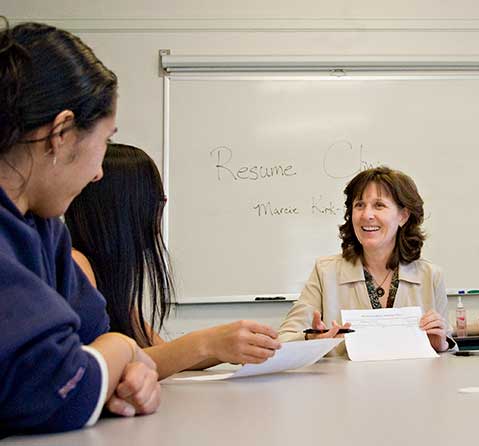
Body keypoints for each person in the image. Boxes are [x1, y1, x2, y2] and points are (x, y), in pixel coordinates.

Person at [0, 19, 159, 436]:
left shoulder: (44, 226)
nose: (98, 174)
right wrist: (123, 349)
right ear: (62, 133)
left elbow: (91, 342)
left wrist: (126, 374)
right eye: (104, 142)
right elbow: (60, 391)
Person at [65, 143, 282, 380]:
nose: (159, 213)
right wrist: (210, 343)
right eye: (156, 201)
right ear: (125, 208)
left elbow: (156, 353)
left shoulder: (109, 282)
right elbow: (123, 366)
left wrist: (230, 346)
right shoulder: (76, 265)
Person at [279, 166, 454, 356]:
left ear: (403, 216)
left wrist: (440, 345)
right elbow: (283, 340)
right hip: (343, 385)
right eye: (359, 205)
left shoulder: (430, 275)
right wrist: (311, 340)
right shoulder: (325, 272)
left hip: (412, 384)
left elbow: (450, 355)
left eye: (379, 205)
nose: (366, 215)